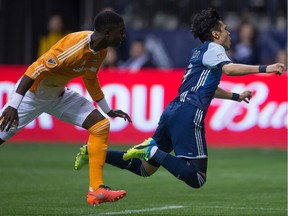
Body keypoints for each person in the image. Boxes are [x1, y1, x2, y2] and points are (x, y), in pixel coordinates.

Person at [74, 8, 285, 189]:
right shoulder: (215, 49)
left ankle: (94, 151)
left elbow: (206, 87)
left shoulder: (198, 53)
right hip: (188, 113)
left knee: (143, 169)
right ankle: (152, 150)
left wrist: (236, 96)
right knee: (197, 178)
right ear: (215, 33)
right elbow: (229, 70)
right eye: (226, 29)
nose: (230, 33)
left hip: (173, 110)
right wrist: (266, 68)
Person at [0, 10, 132, 206]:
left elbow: (90, 78)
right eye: (120, 31)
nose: (123, 35)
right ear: (106, 32)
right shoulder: (74, 46)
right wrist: (13, 105)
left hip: (58, 95)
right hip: (32, 95)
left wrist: (107, 109)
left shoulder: (101, 51)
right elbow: (33, 70)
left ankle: (96, 190)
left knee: (100, 125)